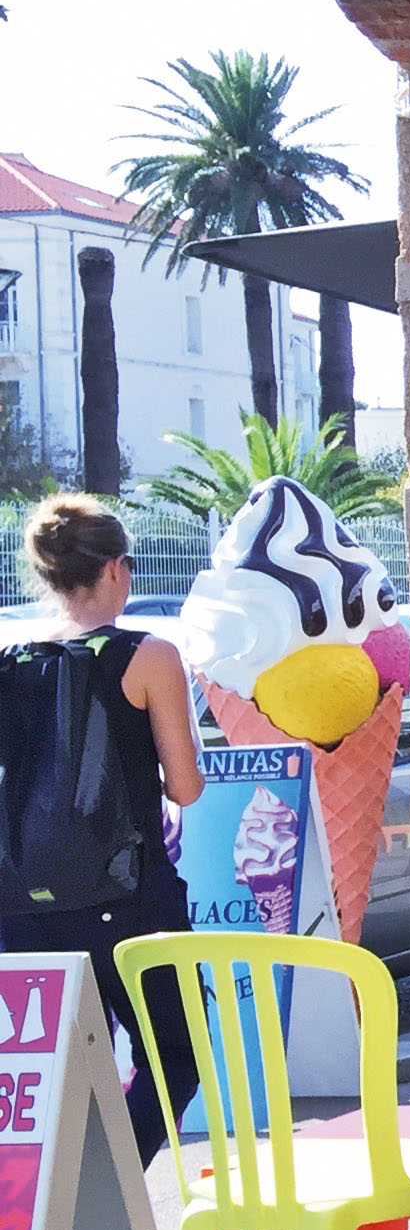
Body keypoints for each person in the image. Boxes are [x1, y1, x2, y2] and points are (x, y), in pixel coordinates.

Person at [0, 497, 204, 1164]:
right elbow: (185, 787)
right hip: (130, 896)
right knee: (176, 1053)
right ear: (116, 568)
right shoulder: (148, 656)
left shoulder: (10, 658)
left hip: (20, 907)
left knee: (49, 1073)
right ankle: (110, 1194)